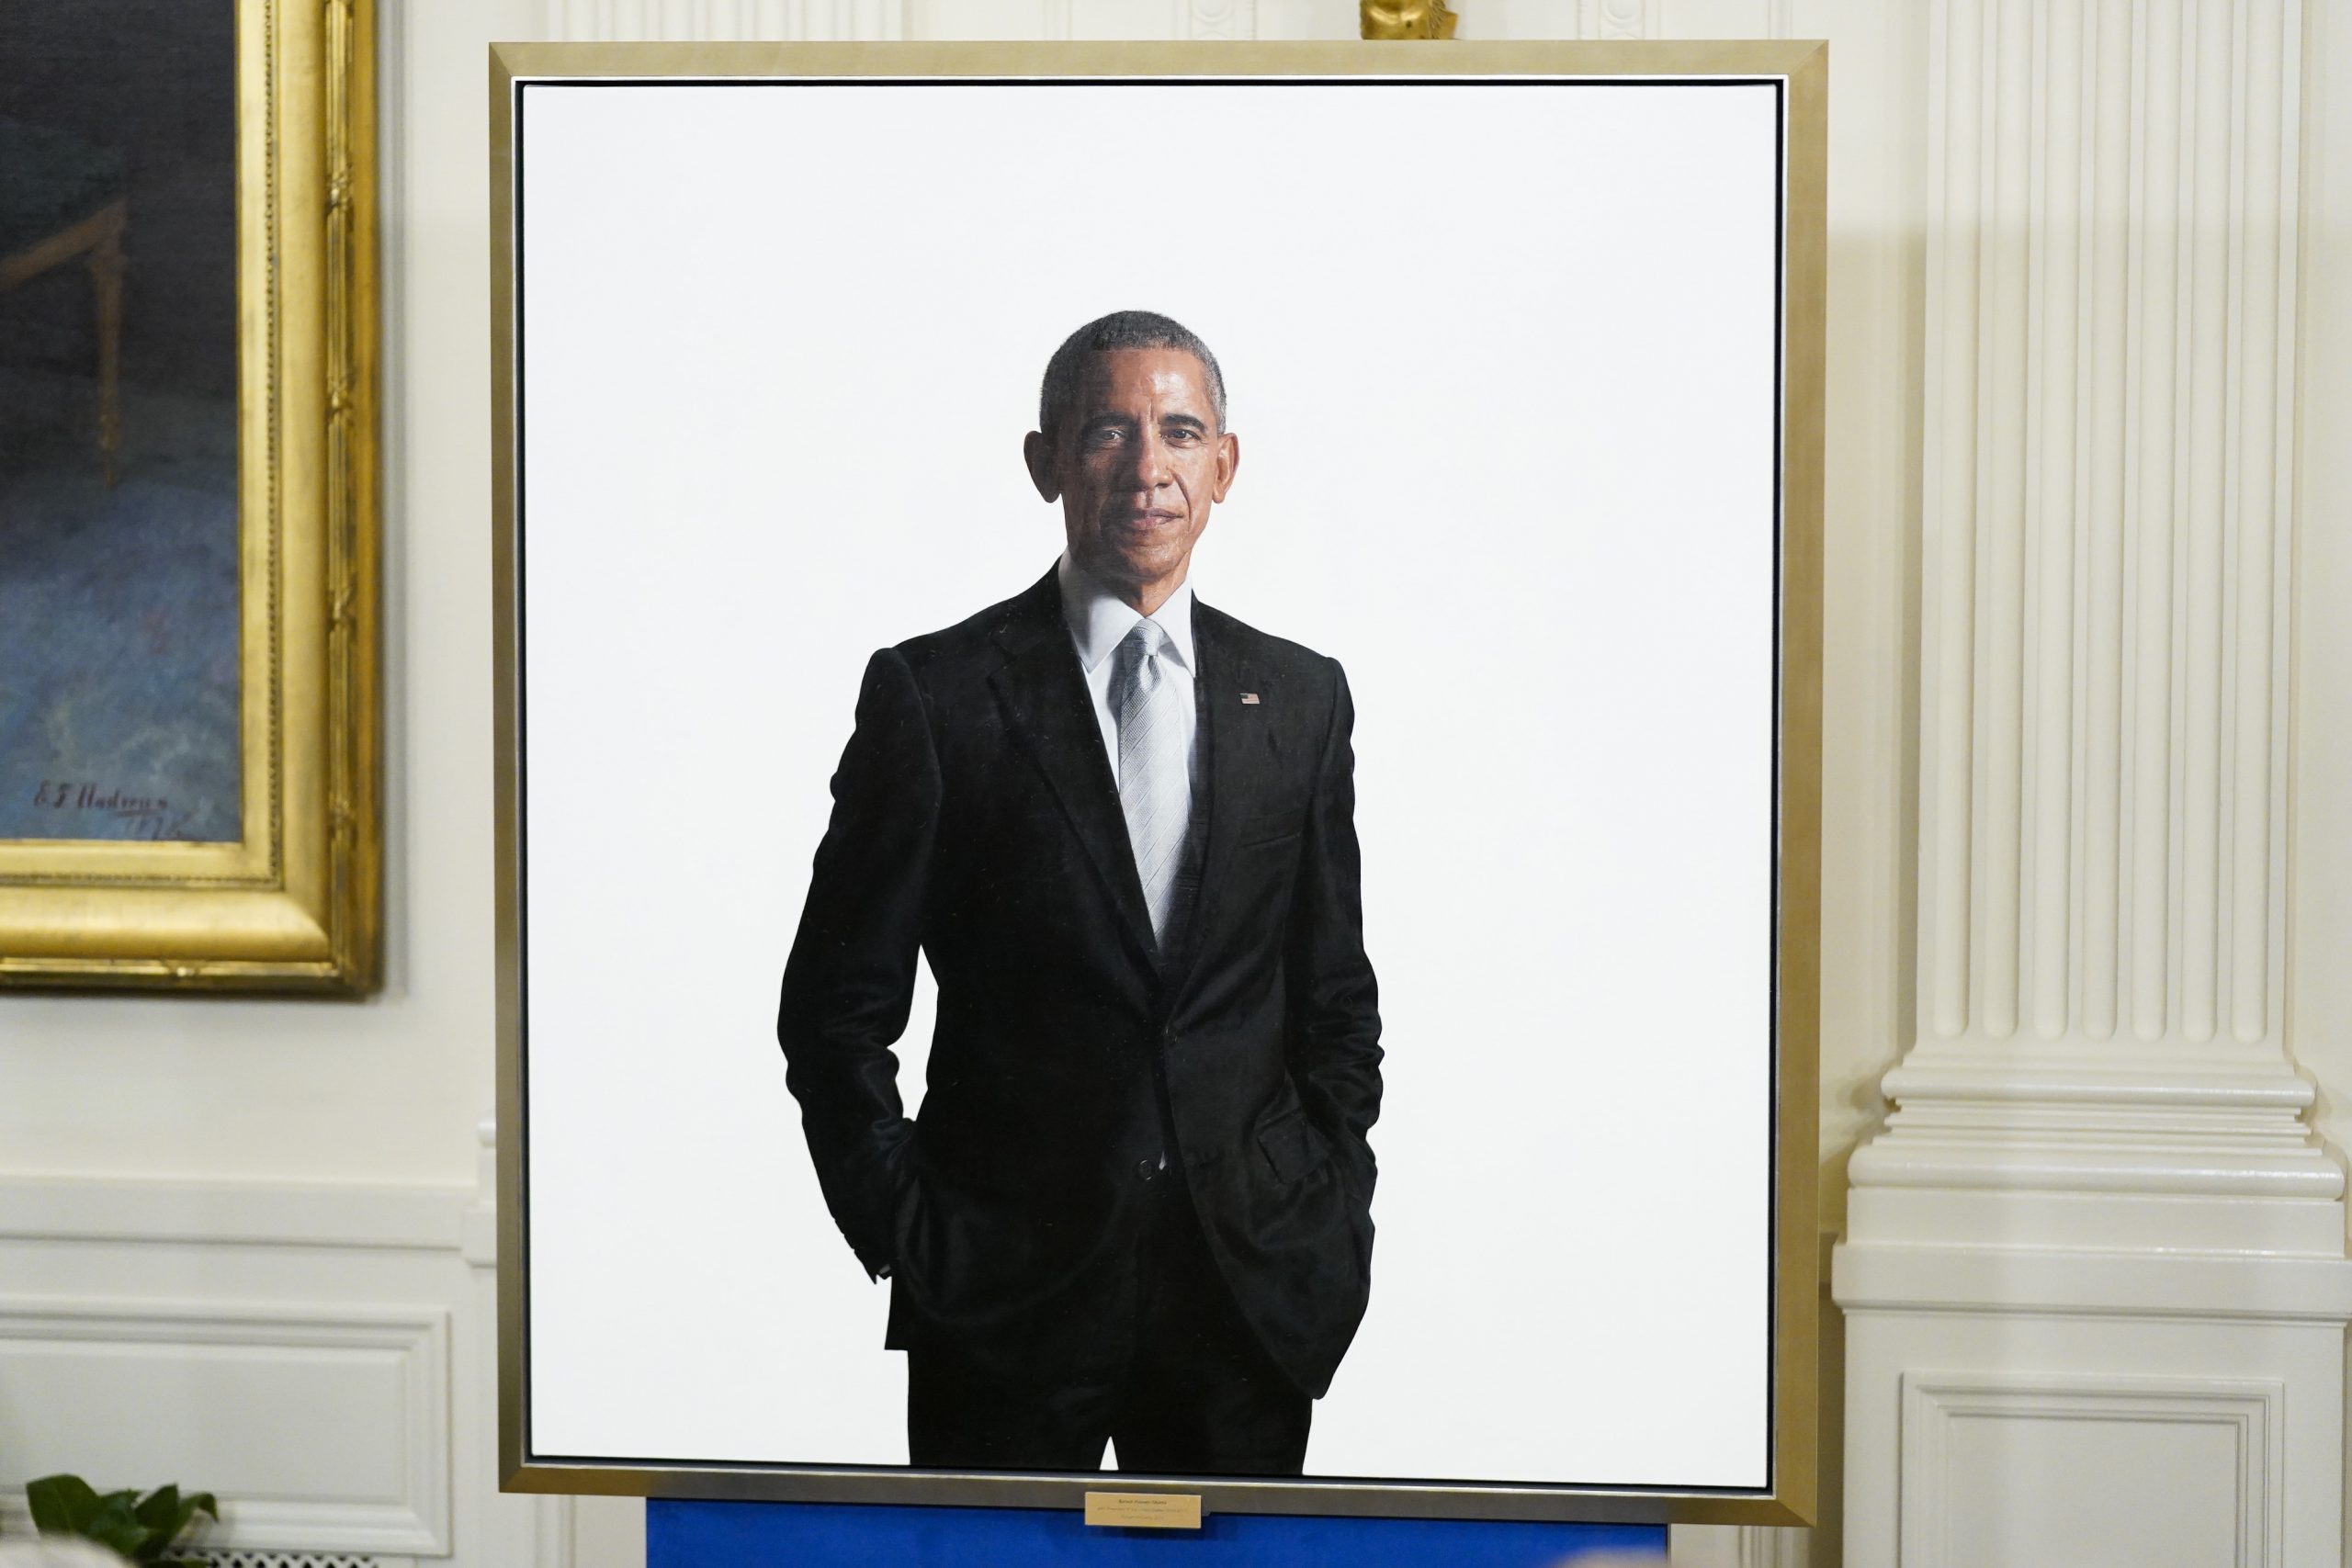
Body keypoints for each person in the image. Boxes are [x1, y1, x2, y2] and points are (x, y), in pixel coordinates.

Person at [778, 310, 1381, 1478]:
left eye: (1179, 433)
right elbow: (833, 1012)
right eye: (1108, 431)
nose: (1147, 467)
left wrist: (1325, 1203)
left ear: (1223, 466)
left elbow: (1335, 1001)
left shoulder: (1302, 699)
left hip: (1243, 1296)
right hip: (1001, 1298)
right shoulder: (937, 696)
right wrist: (912, 1232)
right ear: (1045, 460)